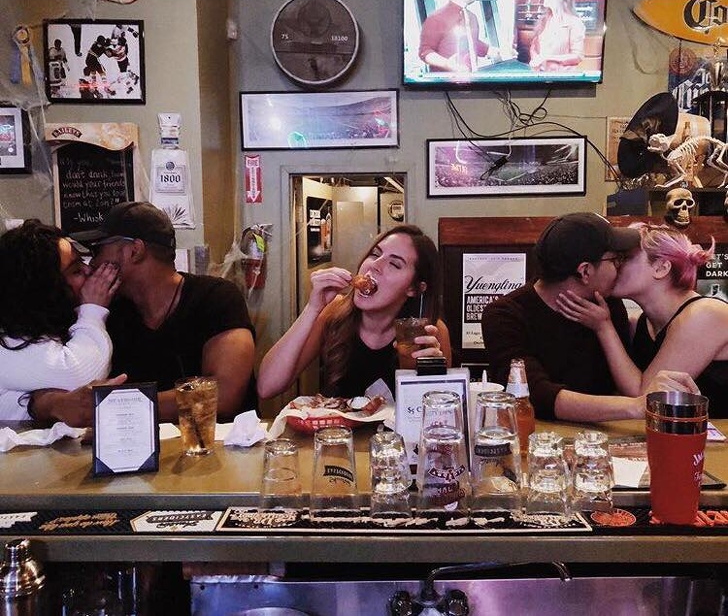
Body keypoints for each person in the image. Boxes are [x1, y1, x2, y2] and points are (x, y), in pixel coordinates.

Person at [29, 202, 258, 425]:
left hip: (215, 448)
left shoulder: (216, 297)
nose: (92, 264)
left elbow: (223, 395)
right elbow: (45, 391)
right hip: (129, 448)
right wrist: (58, 404)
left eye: (97, 250)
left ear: (134, 251)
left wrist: (116, 406)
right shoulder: (103, 310)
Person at [481, 212, 697, 423]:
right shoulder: (504, 315)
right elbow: (533, 393)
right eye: (615, 259)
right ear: (585, 271)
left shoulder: (608, 304)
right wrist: (636, 406)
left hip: (610, 436)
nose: (620, 267)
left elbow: (623, 384)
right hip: (537, 439)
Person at [257, 224, 452, 401]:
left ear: (414, 288)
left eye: (394, 264)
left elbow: (436, 412)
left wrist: (427, 371)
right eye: (375, 254)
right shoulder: (334, 311)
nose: (374, 265)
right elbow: (267, 387)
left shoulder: (428, 332)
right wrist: (313, 308)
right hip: (334, 429)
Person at [557, 223, 728, 418]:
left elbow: (646, 397)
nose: (615, 266)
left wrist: (603, 327)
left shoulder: (704, 314)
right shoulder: (640, 324)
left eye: (625, 258)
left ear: (661, 267)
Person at [0, 220, 121, 421]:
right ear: (43, 288)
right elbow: (79, 377)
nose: (89, 271)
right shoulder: (8, 338)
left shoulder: (33, 321)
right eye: (75, 270)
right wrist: (92, 309)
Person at [418, 0, 491, 73]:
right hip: (445, 79)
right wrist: (447, 64)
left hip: (473, 76)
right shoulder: (436, 17)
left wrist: (488, 49)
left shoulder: (472, 17)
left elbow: (468, 41)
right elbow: (425, 51)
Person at [529, 0, 585, 72]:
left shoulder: (575, 23)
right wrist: (535, 60)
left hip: (562, 76)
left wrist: (546, 58)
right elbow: (534, 48)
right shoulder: (543, 20)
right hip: (541, 75)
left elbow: (577, 57)